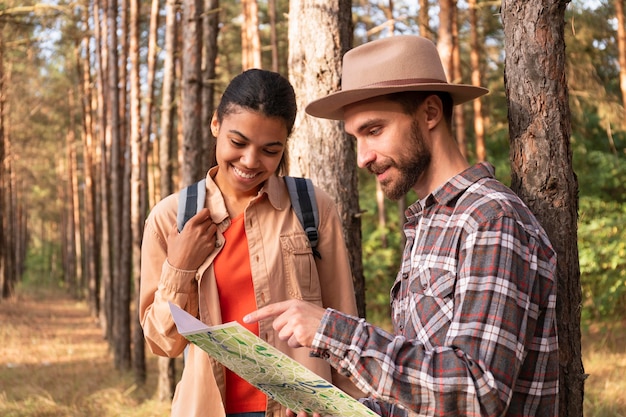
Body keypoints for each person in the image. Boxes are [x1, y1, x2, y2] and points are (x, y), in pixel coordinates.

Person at [244, 35, 559, 417]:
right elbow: (427, 395)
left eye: (374, 130)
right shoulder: (429, 222)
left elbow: (478, 392)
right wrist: (345, 411)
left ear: (429, 113)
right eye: (356, 138)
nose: (362, 158)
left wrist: (333, 331)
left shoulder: (490, 220)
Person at [139, 68, 362, 417]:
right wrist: (180, 266)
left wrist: (343, 407)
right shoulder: (171, 218)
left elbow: (342, 324)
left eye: (270, 150)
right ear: (216, 125)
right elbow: (161, 341)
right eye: (238, 143)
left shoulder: (312, 207)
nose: (250, 161)